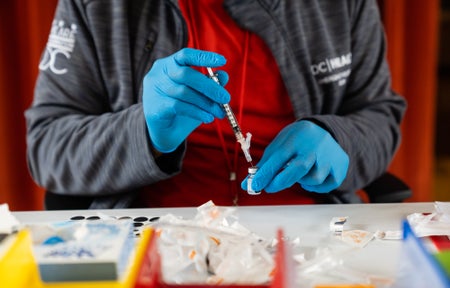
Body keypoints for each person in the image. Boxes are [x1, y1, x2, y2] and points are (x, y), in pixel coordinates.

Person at [25, 0, 406, 209]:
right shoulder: (100, 8)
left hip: (311, 240)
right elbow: (47, 147)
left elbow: (379, 116)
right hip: (155, 242)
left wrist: (337, 138)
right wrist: (144, 132)